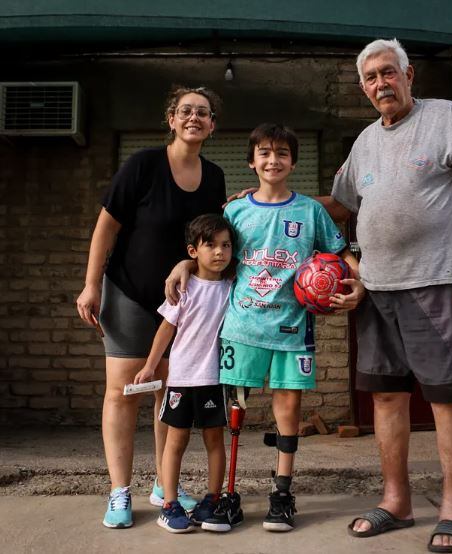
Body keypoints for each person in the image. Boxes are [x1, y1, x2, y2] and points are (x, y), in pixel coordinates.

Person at [320, 39, 452, 553]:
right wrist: (274, 199)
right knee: (387, 395)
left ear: (408, 74)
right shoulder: (364, 143)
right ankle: (396, 500)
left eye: (387, 73)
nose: (380, 84)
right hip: (375, 289)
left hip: (435, 281)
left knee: (445, 396)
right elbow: (340, 204)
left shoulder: (446, 117)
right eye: (371, 78)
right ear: (363, 88)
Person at [166, 123, 365, 533]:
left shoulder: (310, 211)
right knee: (234, 412)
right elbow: (210, 252)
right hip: (242, 328)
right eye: (265, 153)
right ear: (251, 161)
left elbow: (341, 253)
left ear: (294, 161)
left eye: (282, 153)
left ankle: (281, 495)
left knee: (288, 410)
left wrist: (360, 284)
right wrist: (185, 263)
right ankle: (228, 496)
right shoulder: (235, 211)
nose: (273, 160)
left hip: (293, 329)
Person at [76, 85, 227, 528]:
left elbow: (204, 239)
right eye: (186, 111)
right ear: (172, 119)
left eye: (203, 112)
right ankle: (119, 491)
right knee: (123, 392)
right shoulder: (143, 164)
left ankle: (165, 484)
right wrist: (91, 285)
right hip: (128, 292)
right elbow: (106, 226)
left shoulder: (215, 176)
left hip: (181, 301)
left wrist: (188, 260)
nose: (194, 118)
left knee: (169, 390)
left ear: (212, 125)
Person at [133, 213, 234, 533]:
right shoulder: (184, 286)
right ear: (193, 252)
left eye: (226, 245)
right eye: (211, 246)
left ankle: (213, 500)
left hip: (214, 381)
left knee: (215, 441)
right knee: (175, 443)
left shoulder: (233, 288)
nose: (220, 252)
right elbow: (166, 329)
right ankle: (169, 503)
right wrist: (150, 365)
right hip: (180, 379)